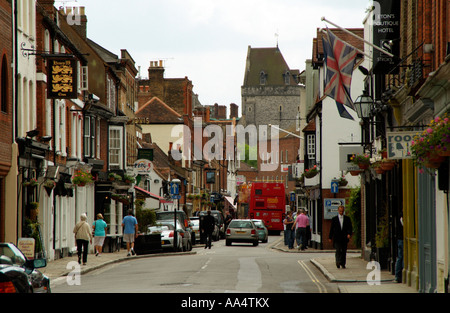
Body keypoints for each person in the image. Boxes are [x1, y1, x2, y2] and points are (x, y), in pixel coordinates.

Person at [394, 213, 404, 283]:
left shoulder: (399, 216)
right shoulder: (402, 217)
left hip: (400, 239)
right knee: (401, 257)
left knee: (400, 257)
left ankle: (398, 276)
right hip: (402, 239)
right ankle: (398, 276)